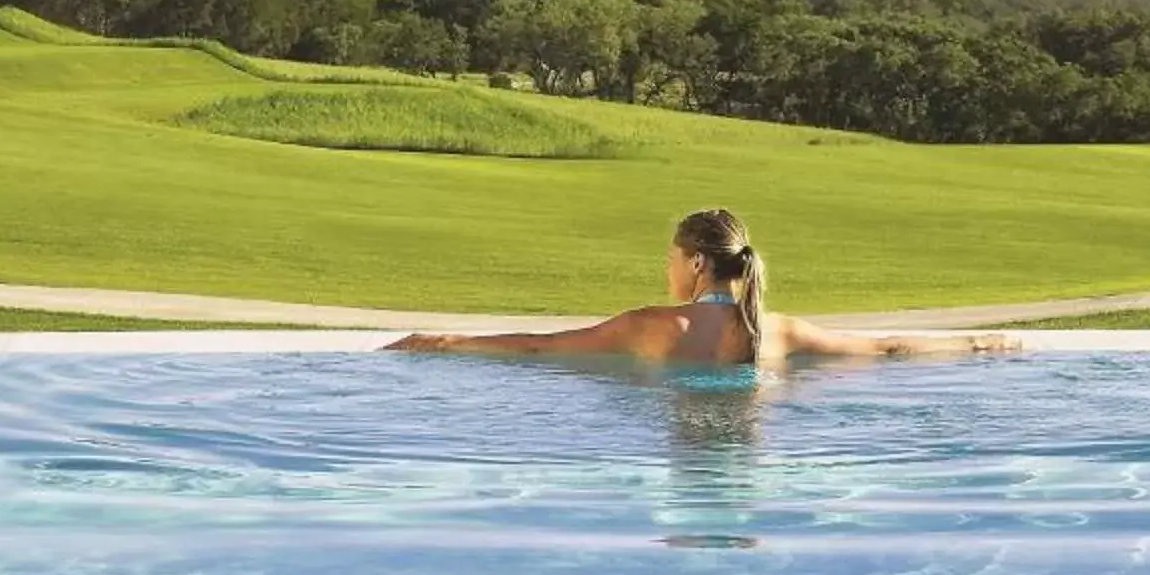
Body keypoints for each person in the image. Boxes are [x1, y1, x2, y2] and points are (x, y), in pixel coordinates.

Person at [389, 209, 1018, 368]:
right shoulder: (776, 332)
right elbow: (885, 351)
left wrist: (444, 340)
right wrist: (977, 344)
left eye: (671, 257)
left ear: (694, 263)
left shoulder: (649, 326)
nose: (667, 269)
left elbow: (539, 349)